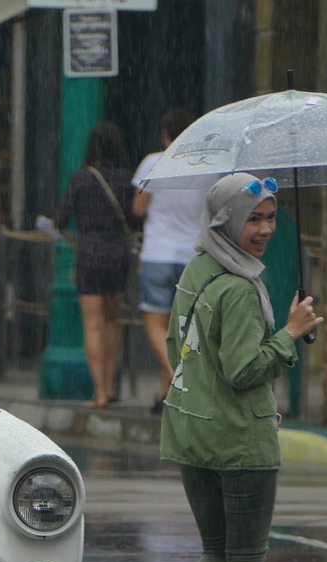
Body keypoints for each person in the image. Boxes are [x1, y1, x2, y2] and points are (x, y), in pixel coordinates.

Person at [159, 172, 322, 562]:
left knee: (215, 550)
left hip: (190, 434)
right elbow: (245, 368)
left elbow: (174, 342)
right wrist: (291, 333)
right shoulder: (239, 286)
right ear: (227, 220)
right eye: (253, 218)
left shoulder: (197, 270)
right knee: (247, 559)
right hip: (241, 442)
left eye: (271, 218)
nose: (265, 229)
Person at [132, 108, 208, 414]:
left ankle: (179, 375)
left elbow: (137, 208)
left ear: (166, 135)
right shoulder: (208, 167)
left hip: (158, 254)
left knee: (155, 323)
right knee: (182, 326)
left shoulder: (154, 162)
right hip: (193, 257)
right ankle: (165, 394)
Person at [55, 121, 135, 408]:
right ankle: (112, 387)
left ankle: (99, 391)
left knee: (93, 325)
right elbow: (135, 216)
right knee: (112, 321)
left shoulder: (81, 179)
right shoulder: (127, 179)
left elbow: (61, 220)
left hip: (89, 253)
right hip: (118, 253)